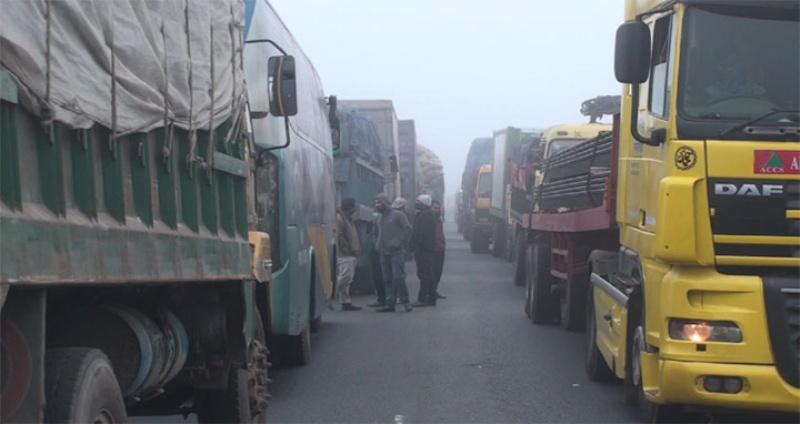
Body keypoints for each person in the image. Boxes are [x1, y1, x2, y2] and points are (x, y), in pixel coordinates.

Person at [373, 193, 413, 313]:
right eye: (375, 203)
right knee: (387, 280)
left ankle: (406, 301)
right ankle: (389, 303)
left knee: (398, 278)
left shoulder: (398, 215)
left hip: (396, 252)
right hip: (383, 253)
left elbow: (408, 229)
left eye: (379, 202)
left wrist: (399, 242)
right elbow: (375, 233)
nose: (377, 205)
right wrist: (377, 244)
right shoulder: (379, 218)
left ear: (385, 202)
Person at [409, 194, 437, 307]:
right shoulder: (424, 215)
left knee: (424, 274)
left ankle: (423, 298)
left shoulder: (426, 216)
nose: (416, 204)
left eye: (418, 202)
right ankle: (431, 297)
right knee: (427, 273)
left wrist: (414, 245)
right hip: (425, 248)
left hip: (424, 249)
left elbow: (421, 233)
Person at [335, 198, 362, 311]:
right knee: (345, 277)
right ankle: (329, 293)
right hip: (344, 254)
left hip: (350, 253)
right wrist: (347, 248)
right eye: (354, 206)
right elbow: (339, 235)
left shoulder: (348, 219)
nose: (356, 208)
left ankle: (346, 302)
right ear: (350, 207)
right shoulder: (340, 219)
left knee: (347, 280)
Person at [431, 200, 446, 300]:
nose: (437, 210)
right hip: (432, 249)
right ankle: (431, 292)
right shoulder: (428, 220)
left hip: (440, 249)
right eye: (435, 208)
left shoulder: (439, 220)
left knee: (438, 271)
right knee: (431, 272)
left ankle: (434, 290)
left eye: (438, 208)